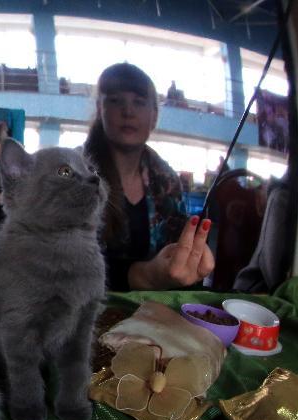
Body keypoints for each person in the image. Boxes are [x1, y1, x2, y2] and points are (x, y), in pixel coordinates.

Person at [83, 63, 214, 291]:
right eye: (115, 100)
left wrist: (190, 265)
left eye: (139, 102)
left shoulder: (168, 183)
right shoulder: (76, 175)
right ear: (99, 109)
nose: (128, 112)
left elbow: (177, 261)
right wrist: (142, 276)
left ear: (154, 117)